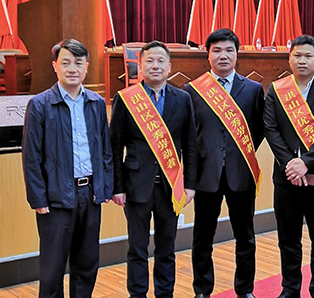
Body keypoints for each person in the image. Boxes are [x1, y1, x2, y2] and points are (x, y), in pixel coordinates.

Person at [22, 39, 113, 298]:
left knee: (87, 264)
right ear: (55, 66)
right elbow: (31, 156)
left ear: (87, 67)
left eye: (78, 63)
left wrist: (104, 188)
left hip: (90, 194)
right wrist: (38, 198)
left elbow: (105, 149)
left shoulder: (96, 103)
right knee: (52, 269)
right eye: (65, 63)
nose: (72, 69)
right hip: (56, 197)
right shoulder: (40, 105)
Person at [109, 41, 198, 298]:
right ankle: (137, 294)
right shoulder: (126, 99)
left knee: (166, 249)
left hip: (171, 187)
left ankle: (164, 294)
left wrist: (190, 184)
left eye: (160, 61)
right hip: (136, 186)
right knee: (137, 248)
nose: (155, 66)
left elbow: (191, 145)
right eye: (149, 61)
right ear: (140, 66)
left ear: (169, 67)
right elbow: (114, 146)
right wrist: (117, 187)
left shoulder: (183, 99)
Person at [184, 28, 265, 298]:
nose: (223, 56)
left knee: (246, 237)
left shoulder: (253, 89)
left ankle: (245, 290)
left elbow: (258, 130)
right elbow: (189, 134)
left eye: (229, 50)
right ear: (208, 55)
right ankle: (202, 290)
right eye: (217, 50)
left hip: (240, 172)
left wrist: (238, 153)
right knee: (202, 238)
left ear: (237, 54)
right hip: (205, 175)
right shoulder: (193, 90)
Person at [263, 34, 314, 298]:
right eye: (297, 55)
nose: (302, 60)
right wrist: (290, 163)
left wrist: (305, 162)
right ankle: (290, 289)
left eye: (308, 56)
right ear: (289, 58)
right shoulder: (277, 90)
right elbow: (270, 129)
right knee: (288, 239)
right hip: (285, 177)